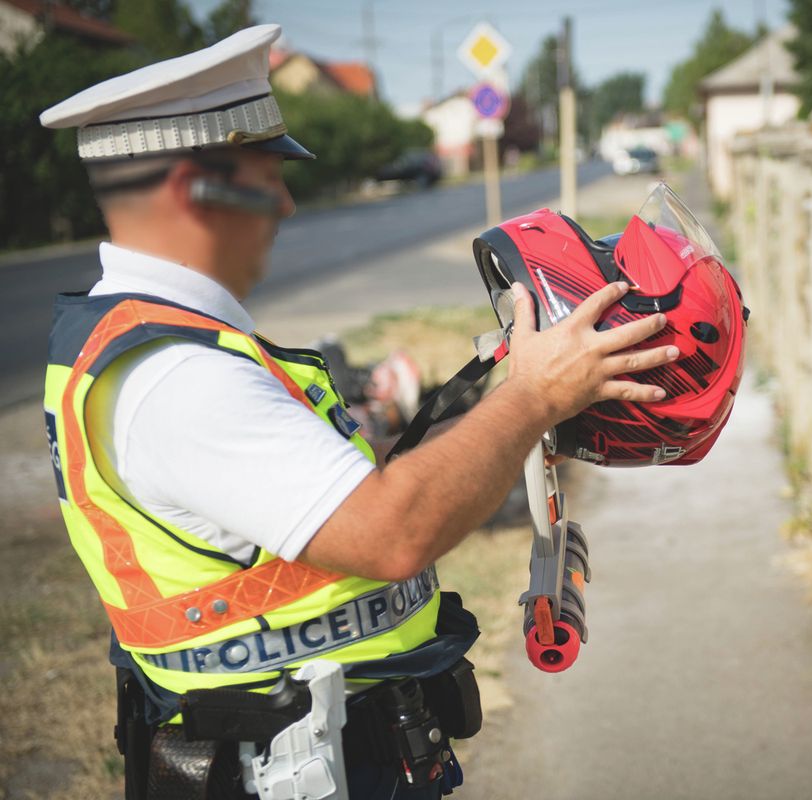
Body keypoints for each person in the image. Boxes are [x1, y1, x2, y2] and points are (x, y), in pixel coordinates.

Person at [39, 24, 679, 799]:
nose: (285, 200)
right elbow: (391, 530)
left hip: (333, 751)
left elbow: (341, 498)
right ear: (188, 191)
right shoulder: (178, 376)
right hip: (281, 768)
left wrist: (516, 397)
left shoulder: (172, 343)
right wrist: (533, 396)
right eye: (264, 173)